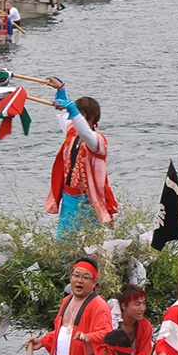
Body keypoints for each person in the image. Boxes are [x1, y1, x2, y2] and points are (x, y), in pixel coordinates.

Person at [43, 77, 118, 236]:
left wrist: (71, 109)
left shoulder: (97, 141)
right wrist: (61, 89)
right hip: (69, 197)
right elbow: (62, 115)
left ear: (91, 118)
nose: (73, 118)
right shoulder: (72, 133)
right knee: (64, 241)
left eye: (78, 115)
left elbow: (84, 130)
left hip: (89, 201)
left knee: (88, 241)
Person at [91, 284, 153, 355]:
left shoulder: (146, 326)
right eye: (137, 304)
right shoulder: (110, 322)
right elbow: (103, 354)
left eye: (143, 304)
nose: (142, 308)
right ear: (124, 306)